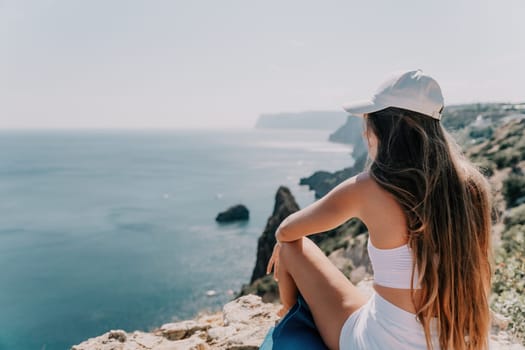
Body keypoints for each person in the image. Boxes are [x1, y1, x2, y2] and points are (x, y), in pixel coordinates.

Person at [265, 69, 493, 350]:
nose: (364, 130)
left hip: (378, 344)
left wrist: (284, 241)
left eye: (368, 120)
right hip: (454, 341)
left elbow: (286, 230)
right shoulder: (473, 187)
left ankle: (289, 323)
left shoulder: (370, 187)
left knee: (291, 246)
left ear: (386, 128)